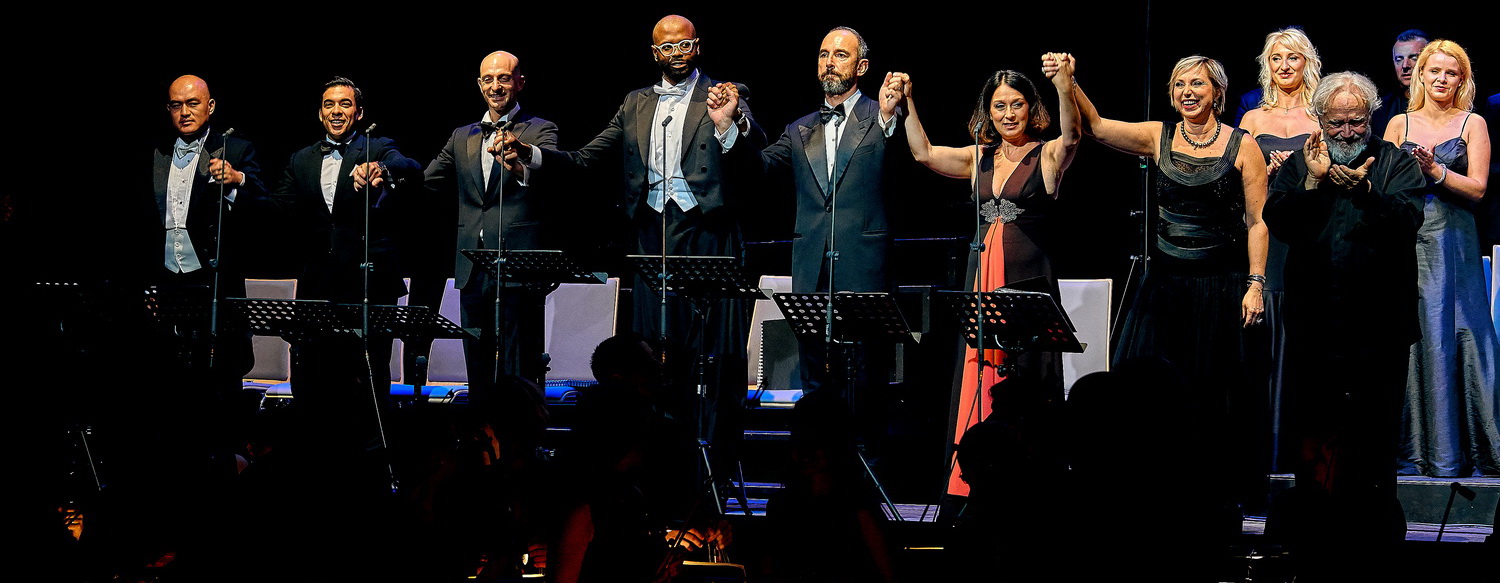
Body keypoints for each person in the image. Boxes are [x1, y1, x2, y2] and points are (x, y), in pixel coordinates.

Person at [508, 15, 764, 462]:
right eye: (666, 47)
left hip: (709, 232)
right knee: (654, 354)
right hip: (652, 235)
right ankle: (658, 454)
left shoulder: (725, 92)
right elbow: (586, 158)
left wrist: (730, 122)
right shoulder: (635, 103)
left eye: (683, 45)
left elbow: (756, 152)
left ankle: (714, 459)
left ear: (697, 46)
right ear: (654, 53)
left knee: (713, 355)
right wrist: (529, 154)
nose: (675, 54)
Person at [1074, 56, 1269, 507]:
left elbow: (1258, 221)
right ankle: (1148, 488)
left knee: (1212, 393)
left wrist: (1256, 284)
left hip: (1220, 286)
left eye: (1197, 83)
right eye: (1179, 84)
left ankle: (1213, 494)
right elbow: (1096, 127)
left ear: (1217, 92)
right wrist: (1069, 82)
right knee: (1148, 392)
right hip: (1164, 288)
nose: (1187, 92)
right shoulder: (1156, 136)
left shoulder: (1243, 146)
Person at [889, 53, 1080, 496]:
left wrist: (1064, 84)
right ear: (987, 112)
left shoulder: (1047, 154)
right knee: (980, 369)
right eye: (999, 106)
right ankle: (974, 482)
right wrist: (908, 102)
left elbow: (1073, 134)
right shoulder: (980, 157)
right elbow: (923, 153)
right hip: (982, 276)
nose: (1008, 114)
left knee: (1026, 380)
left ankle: (1030, 484)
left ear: (1031, 108)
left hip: (1027, 281)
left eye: (1017, 104)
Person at [1264, 71, 1426, 579]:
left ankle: (1375, 542)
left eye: (1357, 121)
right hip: (1315, 324)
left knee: (1374, 434)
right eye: (1338, 122)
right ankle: (1316, 535)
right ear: (1320, 118)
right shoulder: (1301, 162)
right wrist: (1313, 182)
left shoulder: (1396, 162)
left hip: (1380, 327)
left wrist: (1368, 190)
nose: (1348, 131)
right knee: (1314, 432)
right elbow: (1279, 221)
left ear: (1371, 117)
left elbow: (1408, 220)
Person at [274, 77, 423, 453]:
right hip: (319, 285)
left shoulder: (376, 146)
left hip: (368, 282)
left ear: (359, 112)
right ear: (319, 113)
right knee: (316, 375)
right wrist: (241, 183)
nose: (336, 111)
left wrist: (381, 169)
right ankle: (321, 453)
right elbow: (277, 208)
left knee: (368, 376)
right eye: (329, 104)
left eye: (344, 104)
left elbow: (408, 167)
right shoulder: (302, 159)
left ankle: (372, 454)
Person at [756, 26, 903, 396]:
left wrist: (889, 116)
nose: (830, 63)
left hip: (863, 263)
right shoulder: (799, 129)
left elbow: (902, 154)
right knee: (815, 370)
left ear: (862, 66)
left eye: (840, 55)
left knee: (867, 372)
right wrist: (733, 127)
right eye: (824, 55)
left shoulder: (881, 115)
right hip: (812, 264)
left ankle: (866, 433)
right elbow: (760, 168)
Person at [1382, 40, 1500, 478]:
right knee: (1411, 332)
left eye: (1451, 73)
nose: (1441, 79)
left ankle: (1460, 450)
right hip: (1405, 239)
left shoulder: (1472, 123)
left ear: (1462, 79)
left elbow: (1479, 188)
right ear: (1421, 74)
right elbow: (1381, 184)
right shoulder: (1398, 123)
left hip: (1453, 239)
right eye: (1434, 70)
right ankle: (1413, 448)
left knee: (1454, 329)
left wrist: (1437, 171)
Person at [422, 51, 559, 392]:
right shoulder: (462, 136)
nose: (495, 86)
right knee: (478, 361)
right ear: (479, 85)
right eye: (488, 79)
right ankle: (480, 423)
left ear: (520, 83)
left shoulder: (541, 129)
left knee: (519, 364)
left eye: (504, 78)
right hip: (472, 265)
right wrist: (387, 174)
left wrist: (522, 157)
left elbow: (552, 174)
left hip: (518, 263)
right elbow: (426, 181)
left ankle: (523, 424)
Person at [1237, 27, 1323, 482]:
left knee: (1305, 337)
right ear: (1266, 66)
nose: (1284, 65)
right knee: (1263, 340)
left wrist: (1301, 175)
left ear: (1308, 62)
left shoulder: (1321, 115)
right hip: (1266, 236)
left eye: (1293, 57)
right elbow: (1232, 181)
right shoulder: (1252, 119)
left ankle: (1301, 452)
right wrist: (1262, 175)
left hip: (1308, 235)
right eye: (1276, 58)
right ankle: (1260, 451)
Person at [1372, 29, 1430, 139]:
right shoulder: (1381, 109)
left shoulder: (1443, 105)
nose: (1405, 65)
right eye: (1399, 59)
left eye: (1414, 58)